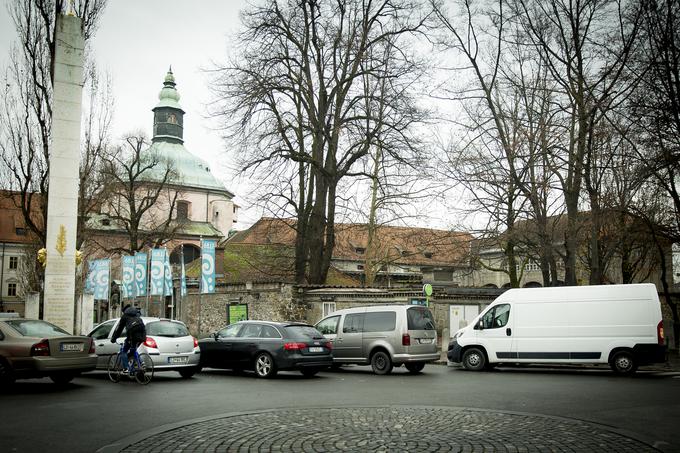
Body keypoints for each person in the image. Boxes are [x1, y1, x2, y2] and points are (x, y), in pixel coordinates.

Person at [110, 304, 146, 370]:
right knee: (133, 350)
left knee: (124, 351)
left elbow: (119, 329)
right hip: (142, 333)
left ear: (124, 311)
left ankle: (126, 368)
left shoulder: (125, 316)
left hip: (132, 334)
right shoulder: (137, 314)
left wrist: (114, 338)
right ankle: (141, 363)